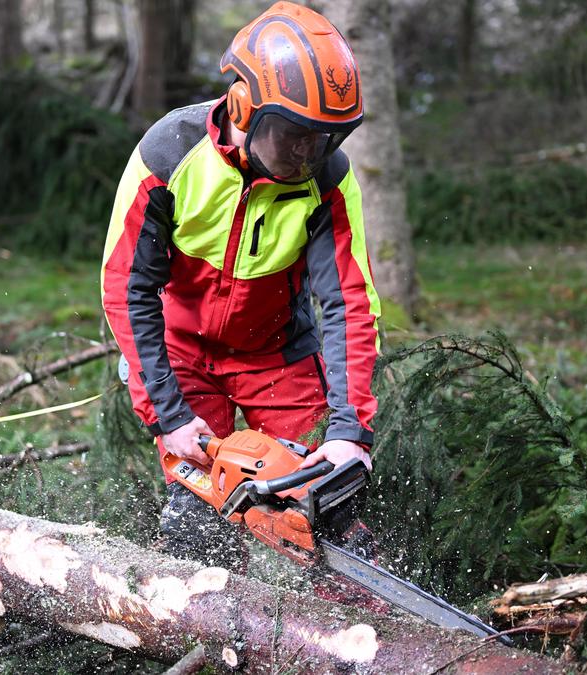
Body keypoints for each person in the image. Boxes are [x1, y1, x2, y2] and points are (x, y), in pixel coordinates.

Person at [101, 1, 381, 578]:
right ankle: (208, 628)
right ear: (244, 106)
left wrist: (349, 431)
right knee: (199, 512)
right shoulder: (169, 155)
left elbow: (347, 301)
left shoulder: (326, 178)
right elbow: (128, 289)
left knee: (327, 496)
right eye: (294, 136)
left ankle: (356, 630)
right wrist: (168, 413)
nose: (307, 154)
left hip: (274, 349)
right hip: (181, 352)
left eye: (324, 138)